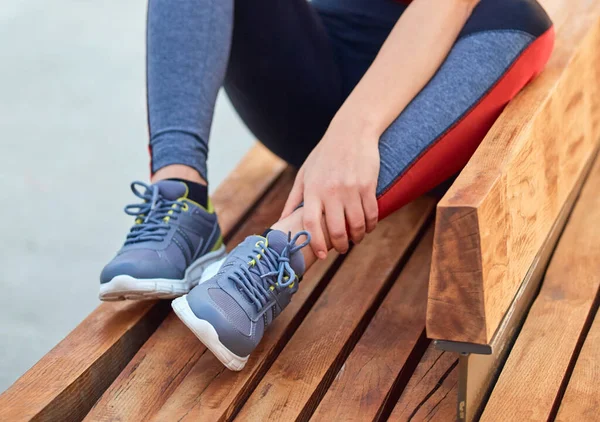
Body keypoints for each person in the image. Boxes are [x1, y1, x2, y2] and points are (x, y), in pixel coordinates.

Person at [99, 0, 554, 370]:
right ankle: (181, 199)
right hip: (317, 73)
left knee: (522, 18)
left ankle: (285, 250)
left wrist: (352, 133)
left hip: (434, 103)